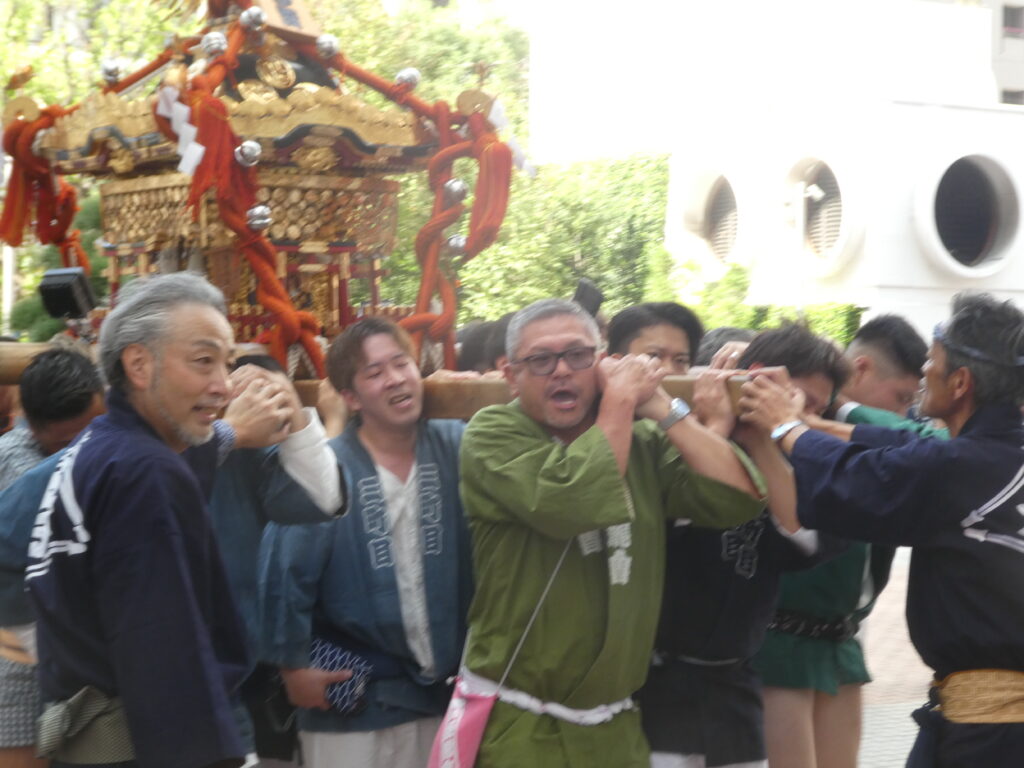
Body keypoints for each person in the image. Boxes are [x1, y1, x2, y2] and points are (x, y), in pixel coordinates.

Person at [457, 298, 764, 768]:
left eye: (579, 356)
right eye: (540, 360)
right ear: (510, 374)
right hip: (519, 727)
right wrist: (620, 401)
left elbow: (738, 496)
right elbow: (572, 501)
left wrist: (662, 405)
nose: (561, 371)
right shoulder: (493, 432)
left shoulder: (642, 437)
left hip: (618, 731)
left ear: (601, 362)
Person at [740, 292, 1024, 767]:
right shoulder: (991, 456)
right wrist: (809, 424)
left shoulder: (955, 465)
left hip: (991, 735)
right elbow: (901, 449)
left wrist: (786, 428)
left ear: (960, 382)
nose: (921, 379)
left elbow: (867, 475)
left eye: (932, 363)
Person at [25, 272, 289, 768]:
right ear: (140, 365)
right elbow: (164, 653)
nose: (223, 385)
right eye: (203, 361)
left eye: (227, 364)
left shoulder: (99, 451)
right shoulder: (144, 471)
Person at [258, 317, 472, 768]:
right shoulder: (324, 469)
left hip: (444, 699)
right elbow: (283, 571)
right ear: (351, 397)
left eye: (402, 364)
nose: (396, 379)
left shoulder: (458, 446)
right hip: (352, 698)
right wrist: (290, 668)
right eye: (375, 372)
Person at [633, 320, 847, 768]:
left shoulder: (804, 455)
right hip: (654, 687)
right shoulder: (673, 431)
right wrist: (714, 423)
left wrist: (768, 440)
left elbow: (804, 539)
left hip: (734, 689)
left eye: (813, 408)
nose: (799, 417)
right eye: (792, 400)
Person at [751, 315, 927, 768]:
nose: (906, 411)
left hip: (839, 638)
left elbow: (931, 440)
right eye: (902, 397)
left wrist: (815, 420)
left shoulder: (833, 429)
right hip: (778, 640)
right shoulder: (753, 440)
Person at [0, 347, 105, 491]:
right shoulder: (22, 469)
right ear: (32, 430)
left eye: (97, 431)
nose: (90, 449)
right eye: (70, 444)